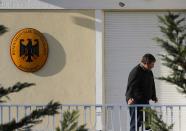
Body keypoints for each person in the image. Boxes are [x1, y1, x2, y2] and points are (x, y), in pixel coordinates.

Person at [125, 53, 158, 131]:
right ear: (146, 63)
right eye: (152, 64)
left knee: (148, 122)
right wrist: (129, 98)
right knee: (135, 123)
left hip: (145, 101)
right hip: (135, 101)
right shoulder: (136, 71)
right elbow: (130, 86)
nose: (153, 66)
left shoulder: (149, 72)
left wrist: (154, 96)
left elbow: (152, 84)